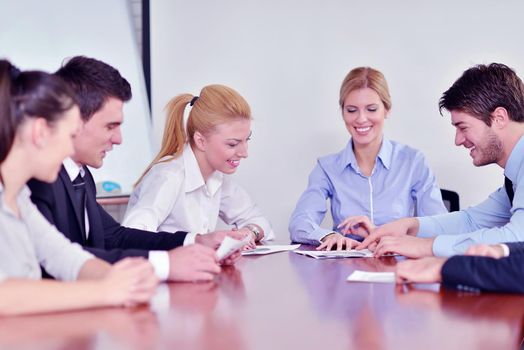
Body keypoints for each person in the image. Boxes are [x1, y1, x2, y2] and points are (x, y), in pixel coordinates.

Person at [27, 56, 227, 283]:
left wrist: (194, 241)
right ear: (73, 121)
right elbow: (57, 263)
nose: (118, 139)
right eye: (110, 126)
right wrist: (165, 265)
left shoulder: (81, 176)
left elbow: (113, 237)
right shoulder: (38, 181)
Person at [0, 59, 158, 315]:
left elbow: (64, 256)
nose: (68, 150)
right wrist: (107, 291)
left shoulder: (19, 197)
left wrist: (120, 279)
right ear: (41, 132)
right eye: (70, 135)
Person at [358, 63, 524, 262]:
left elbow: (516, 239)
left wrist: (426, 246)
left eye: (463, 127)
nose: (458, 140)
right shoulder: (513, 179)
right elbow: (472, 221)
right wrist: (411, 226)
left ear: (498, 118)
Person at [288, 67, 447, 250]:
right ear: (342, 112)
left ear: (387, 110)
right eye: (352, 110)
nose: (361, 119)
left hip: (399, 265)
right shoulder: (327, 167)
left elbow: (438, 226)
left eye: (371, 109)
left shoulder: (413, 162)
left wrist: (379, 233)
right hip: (343, 268)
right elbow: (299, 222)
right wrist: (329, 235)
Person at [122, 84, 274, 245]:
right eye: (232, 144)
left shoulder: (217, 175)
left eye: (246, 140)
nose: (244, 153)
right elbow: (133, 236)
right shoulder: (169, 177)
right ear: (201, 141)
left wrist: (249, 232)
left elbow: (259, 219)